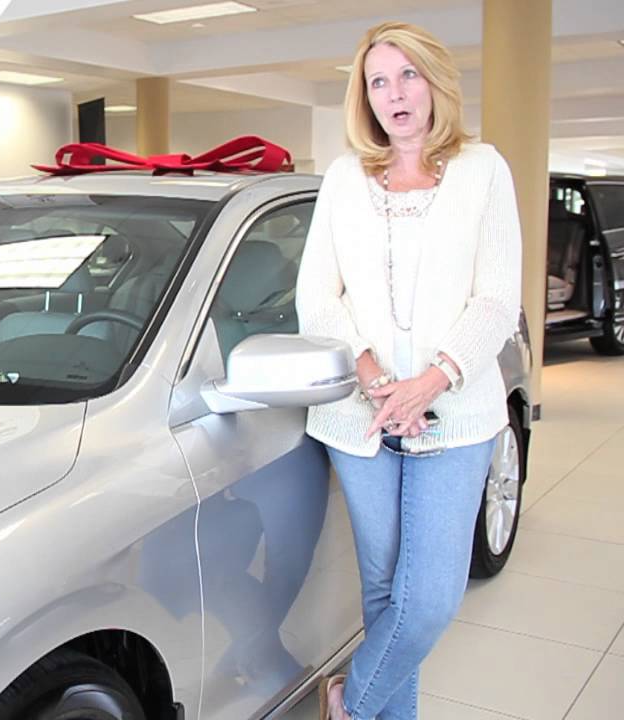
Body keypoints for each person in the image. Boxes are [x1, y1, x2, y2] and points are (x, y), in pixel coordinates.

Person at [295, 20, 522, 720]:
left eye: (408, 75)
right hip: (359, 414)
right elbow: (315, 295)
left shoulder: (484, 169)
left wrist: (432, 379)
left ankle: (348, 703)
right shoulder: (342, 179)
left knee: (426, 603)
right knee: (384, 592)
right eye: (378, 81)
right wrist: (372, 377)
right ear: (364, 97)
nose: (395, 93)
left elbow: (496, 296)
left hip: (454, 412)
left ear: (435, 82)